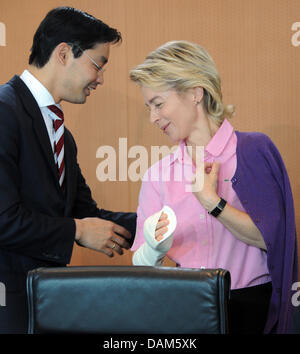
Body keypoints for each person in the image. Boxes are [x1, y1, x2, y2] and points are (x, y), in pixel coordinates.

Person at [129, 40, 298, 334]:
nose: (153, 117)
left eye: (158, 104)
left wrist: (213, 203)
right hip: (188, 309)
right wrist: (154, 248)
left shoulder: (253, 151)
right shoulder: (158, 175)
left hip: (255, 309)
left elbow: (273, 239)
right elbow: (141, 264)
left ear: (195, 92)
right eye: (149, 108)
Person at [0, 7, 136, 333]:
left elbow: (87, 214)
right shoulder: (4, 112)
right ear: (64, 53)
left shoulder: (62, 134)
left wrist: (162, 222)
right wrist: (76, 231)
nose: (101, 78)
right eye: (97, 64)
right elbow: (4, 219)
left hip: (44, 304)